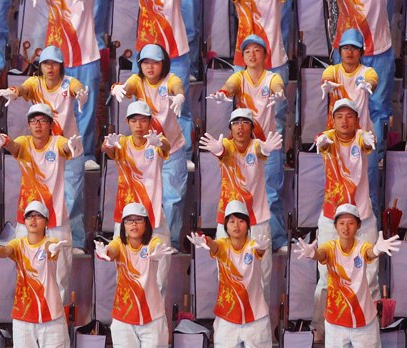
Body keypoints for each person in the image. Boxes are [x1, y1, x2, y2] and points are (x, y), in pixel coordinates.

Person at [305, 0, 405, 215]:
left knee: (378, 108)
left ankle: (375, 151)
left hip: (378, 51)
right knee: (342, 104)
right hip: (347, 50)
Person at [0, 46, 89, 249]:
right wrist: (14, 93)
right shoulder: (35, 83)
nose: (50, 68)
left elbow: (77, 87)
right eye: (46, 64)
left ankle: (76, 243)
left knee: (72, 198)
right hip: (45, 151)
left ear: (61, 66)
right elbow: (23, 89)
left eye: (54, 64)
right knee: (41, 196)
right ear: (40, 67)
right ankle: (39, 241)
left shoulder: (69, 82)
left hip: (69, 149)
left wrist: (81, 94)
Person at [22, 0, 103, 168]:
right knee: (55, 108)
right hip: (57, 59)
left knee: (85, 108)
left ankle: (85, 154)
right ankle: (52, 150)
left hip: (86, 55)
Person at [0, 104, 81, 302]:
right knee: (26, 272)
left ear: (51, 124)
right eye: (33, 121)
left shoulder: (57, 142)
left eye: (43, 121)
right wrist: (5, 141)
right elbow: (15, 146)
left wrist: (71, 146)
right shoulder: (24, 142)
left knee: (60, 277)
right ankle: (28, 312)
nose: (38, 125)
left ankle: (59, 316)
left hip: (56, 219)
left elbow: (66, 147)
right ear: (28, 125)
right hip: (27, 220)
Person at [209, 35, 287, 249]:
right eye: (247, 51)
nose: (252, 55)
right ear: (242, 57)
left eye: (257, 50)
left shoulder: (271, 77)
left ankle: (276, 240)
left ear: (265, 55)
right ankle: (240, 242)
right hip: (243, 146)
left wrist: (279, 94)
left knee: (271, 193)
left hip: (268, 144)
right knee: (239, 191)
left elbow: (278, 85)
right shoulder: (240, 77)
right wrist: (223, 92)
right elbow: (230, 85)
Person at [311, 99, 380, 333]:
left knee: (369, 275)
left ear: (357, 120)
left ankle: (371, 326)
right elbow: (320, 141)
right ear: (332, 119)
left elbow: (368, 142)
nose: (344, 121)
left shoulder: (361, 137)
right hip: (332, 218)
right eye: (339, 116)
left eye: (349, 116)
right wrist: (321, 141)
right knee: (326, 276)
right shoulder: (327, 137)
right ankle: (320, 329)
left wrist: (369, 139)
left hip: (363, 216)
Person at [110, 44, 190, 246]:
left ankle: (171, 242)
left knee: (173, 198)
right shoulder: (137, 80)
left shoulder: (171, 79)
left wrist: (179, 96)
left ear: (163, 64)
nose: (150, 67)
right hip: (146, 151)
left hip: (171, 147)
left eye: (155, 62)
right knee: (143, 197)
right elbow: (127, 87)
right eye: (145, 63)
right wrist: (118, 87)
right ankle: (141, 242)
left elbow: (177, 87)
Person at [0, 201, 71, 347]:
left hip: (51, 315)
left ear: (47, 221)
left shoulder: (52, 243)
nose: (33, 220)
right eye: (29, 216)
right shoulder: (18, 244)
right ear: (24, 221)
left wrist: (52, 248)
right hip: (23, 316)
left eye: (38, 216)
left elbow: (48, 246)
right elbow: (5, 250)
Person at [198, 109, 282, 297]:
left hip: (257, 217)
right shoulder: (226, 145)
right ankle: (229, 313)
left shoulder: (257, 145)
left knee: (262, 274)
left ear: (252, 127)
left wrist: (266, 149)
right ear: (230, 128)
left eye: (245, 122)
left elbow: (261, 151)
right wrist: (218, 150)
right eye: (236, 123)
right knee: (226, 272)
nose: (240, 127)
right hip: (228, 219)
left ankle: (261, 314)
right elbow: (223, 152)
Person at [294, 203, 400, 346]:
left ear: (358, 225)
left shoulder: (362, 246)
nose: (346, 228)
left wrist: (377, 250)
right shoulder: (330, 247)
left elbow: (370, 253)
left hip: (364, 320)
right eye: (342, 223)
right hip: (336, 322)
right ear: (335, 226)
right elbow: (321, 254)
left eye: (351, 223)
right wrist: (313, 254)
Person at [187, 200, 272, 348]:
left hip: (256, 316)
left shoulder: (254, 245)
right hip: (227, 317)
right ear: (226, 226)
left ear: (248, 225)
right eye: (232, 221)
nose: (236, 225)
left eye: (241, 221)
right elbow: (213, 244)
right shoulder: (222, 244)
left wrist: (262, 248)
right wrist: (206, 241)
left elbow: (260, 250)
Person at [94, 202, 175, 347]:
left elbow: (156, 246)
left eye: (138, 219)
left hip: (152, 316)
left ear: (146, 223)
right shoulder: (119, 243)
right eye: (129, 220)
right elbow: (112, 250)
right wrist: (105, 252)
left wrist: (156, 252)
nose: (134, 224)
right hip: (123, 317)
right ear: (123, 225)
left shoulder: (153, 241)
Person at [320, 29, 378, 133]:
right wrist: (326, 83)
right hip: (336, 132)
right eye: (345, 48)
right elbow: (327, 77)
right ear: (340, 51)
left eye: (354, 48)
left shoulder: (367, 71)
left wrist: (369, 85)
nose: (349, 52)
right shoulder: (332, 70)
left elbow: (372, 80)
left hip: (361, 131)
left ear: (361, 52)